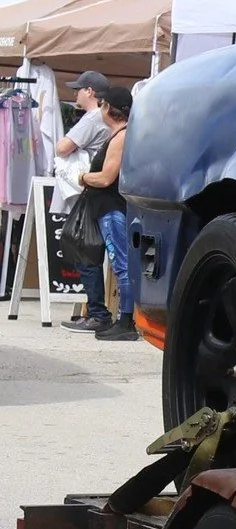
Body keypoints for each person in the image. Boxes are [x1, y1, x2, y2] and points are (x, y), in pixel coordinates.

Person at [66, 85, 133, 340]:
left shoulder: (121, 137)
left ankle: (126, 322)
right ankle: (123, 320)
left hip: (112, 209)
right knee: (120, 264)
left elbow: (106, 177)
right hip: (108, 209)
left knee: (121, 264)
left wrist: (82, 176)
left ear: (108, 109)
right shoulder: (117, 135)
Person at [53, 70, 110, 161]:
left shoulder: (93, 117)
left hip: (86, 172)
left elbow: (62, 149)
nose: (75, 93)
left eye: (78, 90)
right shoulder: (106, 114)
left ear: (89, 91)